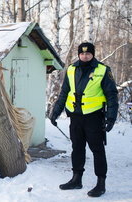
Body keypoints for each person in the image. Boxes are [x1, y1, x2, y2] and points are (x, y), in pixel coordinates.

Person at [50, 42, 118, 197]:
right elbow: (64, 93)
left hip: (94, 117)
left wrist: (111, 117)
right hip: (75, 117)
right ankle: (76, 179)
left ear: (92, 54)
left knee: (97, 150)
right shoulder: (71, 70)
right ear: (79, 54)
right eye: (82, 53)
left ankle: (101, 183)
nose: (85, 56)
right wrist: (55, 112)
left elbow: (112, 96)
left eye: (88, 53)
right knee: (77, 148)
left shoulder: (103, 70)